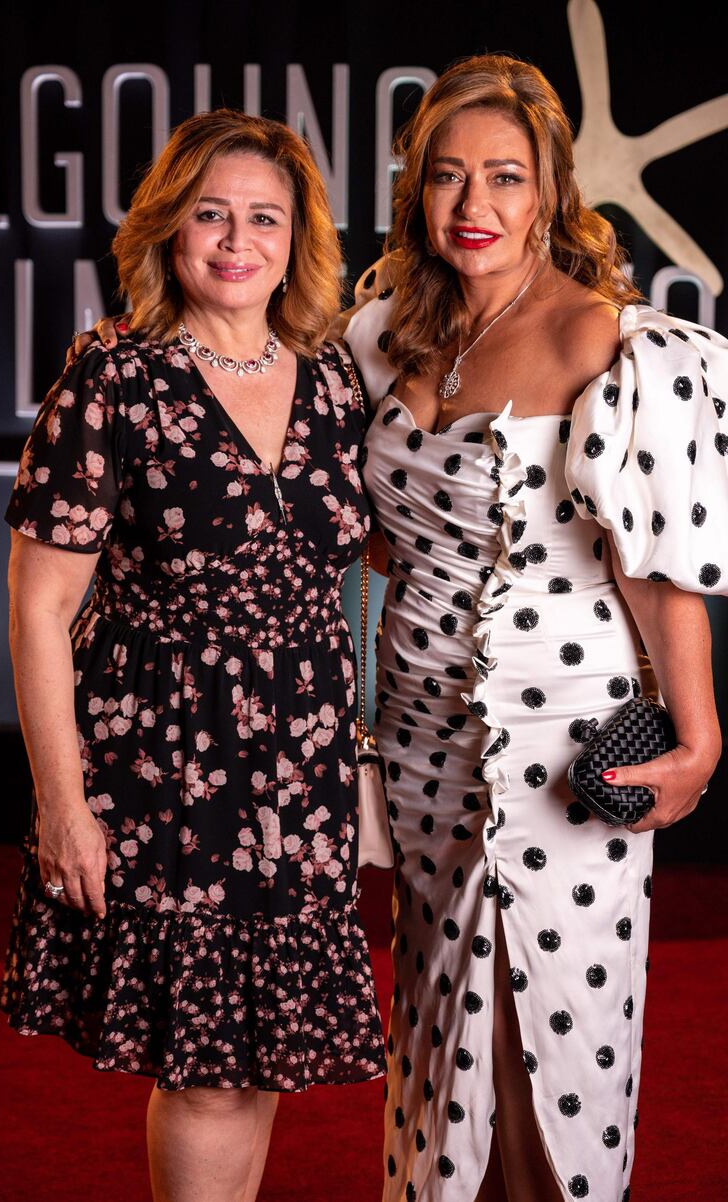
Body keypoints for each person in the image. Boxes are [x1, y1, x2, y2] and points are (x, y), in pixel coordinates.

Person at [337, 54, 727, 1202]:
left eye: (503, 178)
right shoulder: (376, 339)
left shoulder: (608, 341)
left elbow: (658, 573)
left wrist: (697, 740)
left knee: (553, 1032)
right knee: (440, 1032)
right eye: (446, 177)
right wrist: (357, 723)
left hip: (564, 737)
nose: (473, 207)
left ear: (550, 191)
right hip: (419, 746)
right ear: (414, 191)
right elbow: (367, 552)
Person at [0, 109, 386, 1202]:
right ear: (169, 228)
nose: (235, 239)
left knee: (255, 1060)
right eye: (209, 212)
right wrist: (61, 804)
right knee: (208, 1068)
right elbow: (37, 608)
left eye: (264, 217)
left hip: (300, 779)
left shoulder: (329, 383)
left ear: (296, 238)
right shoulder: (112, 376)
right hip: (166, 768)